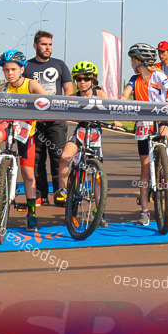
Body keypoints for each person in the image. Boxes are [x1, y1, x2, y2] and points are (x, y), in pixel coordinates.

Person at [123, 43, 168, 225]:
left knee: (166, 134)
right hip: (143, 123)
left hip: (160, 117)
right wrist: (120, 103)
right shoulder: (134, 79)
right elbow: (125, 95)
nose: (131, 63)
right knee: (145, 168)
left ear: (139, 61)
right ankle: (144, 210)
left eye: (132, 60)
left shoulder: (158, 75)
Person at [0, 50, 46, 231]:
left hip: (26, 131)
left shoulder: (31, 84)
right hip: (8, 125)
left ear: (22, 69)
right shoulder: (2, 88)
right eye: (6, 70)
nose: (10, 73)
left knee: (28, 175)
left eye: (13, 69)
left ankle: (31, 213)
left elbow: (46, 100)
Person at [55, 60, 111, 221]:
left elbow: (111, 110)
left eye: (86, 79)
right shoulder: (73, 97)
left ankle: (99, 213)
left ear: (93, 80)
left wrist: (116, 120)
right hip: (80, 131)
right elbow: (62, 111)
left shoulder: (99, 94)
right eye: (78, 79)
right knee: (65, 156)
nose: (82, 82)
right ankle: (63, 190)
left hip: (94, 134)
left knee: (99, 176)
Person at [24, 31, 73, 207]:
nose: (47, 48)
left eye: (50, 44)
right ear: (35, 46)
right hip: (35, 121)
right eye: (44, 44)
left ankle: (61, 192)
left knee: (58, 157)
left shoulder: (59, 65)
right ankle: (39, 195)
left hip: (56, 120)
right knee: (36, 159)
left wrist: (64, 102)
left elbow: (68, 88)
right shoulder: (27, 66)